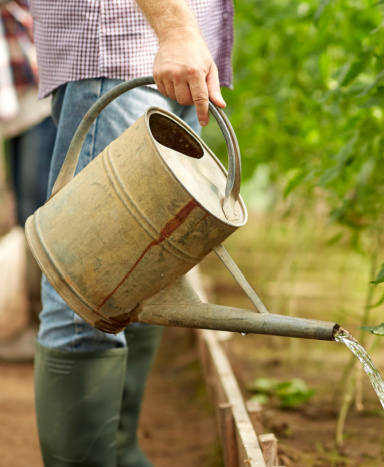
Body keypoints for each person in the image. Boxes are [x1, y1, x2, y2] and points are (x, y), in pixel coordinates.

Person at [29, 0, 233, 465]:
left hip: (165, 51)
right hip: (123, 45)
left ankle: (118, 451)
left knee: (143, 270)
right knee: (87, 287)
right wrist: (176, 29)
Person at [0, 0, 56, 362]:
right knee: (24, 213)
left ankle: (46, 327)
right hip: (16, 116)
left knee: (37, 212)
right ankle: (33, 324)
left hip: (39, 107)